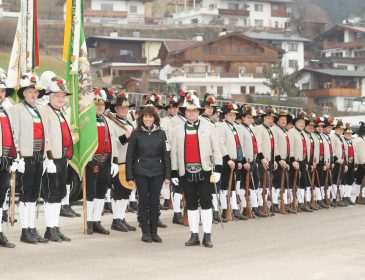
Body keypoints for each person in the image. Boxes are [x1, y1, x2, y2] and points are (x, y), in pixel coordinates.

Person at [170, 93, 222, 248]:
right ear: (184, 112)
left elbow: (216, 149)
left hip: (205, 171)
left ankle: (207, 235)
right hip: (186, 172)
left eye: (194, 110)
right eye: (188, 110)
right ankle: (194, 235)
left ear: (199, 111)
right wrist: (174, 172)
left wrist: (218, 170)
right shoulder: (177, 129)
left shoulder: (209, 127)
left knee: (206, 203)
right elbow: (174, 153)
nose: (191, 113)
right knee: (191, 204)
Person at [9, 73, 49, 244]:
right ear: (24, 93)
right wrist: (17, 157)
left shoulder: (38, 110)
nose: (34, 94)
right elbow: (13, 134)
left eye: (36, 92)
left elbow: (44, 135)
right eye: (30, 91)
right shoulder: (16, 110)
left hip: (38, 156)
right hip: (26, 156)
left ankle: (32, 228)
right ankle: (25, 231)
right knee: (26, 194)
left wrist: (46, 156)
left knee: (34, 193)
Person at [126, 106, 171, 243]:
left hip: (157, 171)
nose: (148, 119)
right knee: (143, 201)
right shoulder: (135, 134)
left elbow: (166, 155)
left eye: (150, 116)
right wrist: (129, 176)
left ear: (155, 118)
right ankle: (145, 231)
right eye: (145, 116)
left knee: (155, 202)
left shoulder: (162, 134)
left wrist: (167, 175)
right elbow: (130, 156)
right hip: (141, 171)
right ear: (141, 118)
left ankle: (154, 232)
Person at [39, 72, 73, 242]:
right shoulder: (44, 111)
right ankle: (49, 229)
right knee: (51, 194)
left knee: (59, 193)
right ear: (50, 96)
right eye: (57, 96)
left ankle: (55, 226)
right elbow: (44, 136)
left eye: (63, 96)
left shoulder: (62, 112)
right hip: (51, 159)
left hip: (62, 159)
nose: (61, 99)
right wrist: (48, 158)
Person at [85, 91, 118, 235]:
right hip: (92, 161)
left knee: (101, 192)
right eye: (97, 104)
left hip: (106, 161)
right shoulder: (86, 120)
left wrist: (115, 161)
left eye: (102, 104)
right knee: (91, 193)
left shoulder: (108, 121)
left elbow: (113, 142)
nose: (99, 107)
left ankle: (97, 221)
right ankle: (89, 221)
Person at [108, 92, 137, 232]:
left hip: (130, 161)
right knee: (118, 193)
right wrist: (125, 137)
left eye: (126, 108)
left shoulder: (131, 122)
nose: (124, 110)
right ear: (116, 109)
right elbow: (112, 142)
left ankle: (122, 217)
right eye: (121, 108)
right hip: (119, 161)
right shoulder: (112, 123)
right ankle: (116, 219)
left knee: (126, 191)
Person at [216, 103, 246, 221]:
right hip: (225, 160)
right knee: (224, 186)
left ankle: (234, 208)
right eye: (230, 115)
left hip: (233, 160)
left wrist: (239, 159)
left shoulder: (235, 127)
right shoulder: (221, 126)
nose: (232, 117)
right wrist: (227, 159)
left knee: (232, 186)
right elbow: (221, 143)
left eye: (234, 115)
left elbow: (238, 145)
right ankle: (225, 209)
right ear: (225, 115)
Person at [0, 76, 16, 248]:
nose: (0, 94)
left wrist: (14, 156)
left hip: (4, 161)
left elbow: (10, 136)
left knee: (1, 197)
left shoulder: (5, 112)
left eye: (2, 91)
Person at [253, 106, 279, 217]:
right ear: (264, 118)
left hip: (269, 159)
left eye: (272, 119)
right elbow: (257, 145)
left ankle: (264, 204)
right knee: (260, 183)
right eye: (268, 118)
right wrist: (262, 158)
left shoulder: (270, 130)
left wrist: (275, 159)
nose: (270, 120)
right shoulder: (259, 128)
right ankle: (259, 205)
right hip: (261, 160)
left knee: (267, 184)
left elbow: (273, 146)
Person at [287, 113, 312, 213]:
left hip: (302, 160)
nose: (302, 124)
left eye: (303, 122)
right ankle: (291, 202)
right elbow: (290, 148)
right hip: (294, 161)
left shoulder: (304, 133)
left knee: (303, 182)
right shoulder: (291, 132)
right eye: (300, 122)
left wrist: (305, 161)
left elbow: (305, 149)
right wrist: (293, 160)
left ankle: (301, 203)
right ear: (295, 123)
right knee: (292, 182)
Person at [271, 110, 291, 213]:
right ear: (277, 121)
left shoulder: (284, 131)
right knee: (277, 183)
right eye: (282, 119)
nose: (284, 121)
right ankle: (274, 204)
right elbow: (275, 146)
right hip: (279, 160)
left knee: (283, 183)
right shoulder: (275, 129)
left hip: (285, 160)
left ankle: (282, 203)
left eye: (285, 120)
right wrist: (278, 160)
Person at [343, 123, 356, 205]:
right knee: (344, 180)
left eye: (350, 134)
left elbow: (355, 153)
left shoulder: (353, 142)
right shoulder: (342, 141)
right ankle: (343, 197)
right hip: (346, 163)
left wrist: (356, 163)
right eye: (347, 133)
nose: (349, 135)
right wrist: (344, 164)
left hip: (352, 163)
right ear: (344, 134)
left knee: (350, 181)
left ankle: (348, 197)